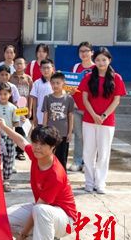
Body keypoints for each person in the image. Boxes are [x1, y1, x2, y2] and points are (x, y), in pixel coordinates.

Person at [0, 119, 77, 240]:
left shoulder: (55, 174)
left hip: (65, 220)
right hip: (44, 212)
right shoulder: (35, 155)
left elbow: (40, 207)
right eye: (35, 142)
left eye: (43, 144)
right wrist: (4, 127)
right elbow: (20, 141)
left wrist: (23, 235)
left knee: (40, 210)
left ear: (53, 147)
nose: (37, 147)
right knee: (1, 219)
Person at [78, 47, 126, 194]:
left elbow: (116, 100)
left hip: (107, 122)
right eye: (98, 60)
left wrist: (103, 116)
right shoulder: (88, 77)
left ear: (109, 60)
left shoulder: (116, 78)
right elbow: (84, 99)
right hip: (89, 120)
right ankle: (89, 182)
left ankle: (100, 183)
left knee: (104, 153)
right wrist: (94, 115)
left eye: (104, 60)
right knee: (88, 152)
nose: (101, 62)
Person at [0, 82, 20, 192]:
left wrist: (21, 119)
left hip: (9, 137)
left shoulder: (13, 108)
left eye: (5, 94)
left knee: (9, 159)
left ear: (10, 94)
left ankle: (6, 181)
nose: (3, 96)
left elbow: (16, 123)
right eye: (0, 94)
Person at [69, 42, 95, 172]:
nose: (84, 53)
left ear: (92, 52)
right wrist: (70, 92)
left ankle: (88, 162)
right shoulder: (76, 67)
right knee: (79, 136)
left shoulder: (97, 68)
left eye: (86, 51)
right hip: (76, 107)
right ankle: (77, 161)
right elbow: (71, 85)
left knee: (90, 137)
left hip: (91, 109)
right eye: (81, 51)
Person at [42, 72, 75, 169]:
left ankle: (62, 174)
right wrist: (44, 130)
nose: (55, 85)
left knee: (62, 156)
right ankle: (49, 173)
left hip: (63, 133)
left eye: (58, 83)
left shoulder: (69, 98)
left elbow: (70, 115)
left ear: (63, 84)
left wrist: (70, 132)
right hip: (50, 133)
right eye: (53, 83)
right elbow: (46, 114)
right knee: (49, 155)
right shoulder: (47, 98)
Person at [30, 59, 54, 126]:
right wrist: (34, 116)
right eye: (43, 68)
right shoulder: (37, 83)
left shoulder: (57, 82)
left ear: (52, 68)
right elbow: (34, 101)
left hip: (55, 118)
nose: (46, 70)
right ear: (40, 69)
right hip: (40, 117)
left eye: (48, 68)